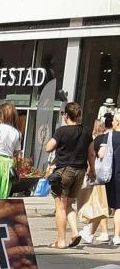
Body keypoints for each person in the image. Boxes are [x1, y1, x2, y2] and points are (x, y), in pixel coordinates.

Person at [44, 101, 90, 249]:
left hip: (64, 172)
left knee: (60, 206)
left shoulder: (62, 131)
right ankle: (75, 232)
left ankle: (61, 241)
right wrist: (93, 170)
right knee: (69, 204)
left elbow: (48, 148)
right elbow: (91, 153)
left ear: (66, 116)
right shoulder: (86, 131)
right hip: (80, 171)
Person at [80, 117, 110, 244]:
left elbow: (95, 155)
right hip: (109, 175)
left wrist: (90, 170)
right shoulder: (108, 137)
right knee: (103, 205)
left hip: (99, 176)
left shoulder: (99, 139)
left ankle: (92, 231)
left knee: (98, 204)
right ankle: (101, 231)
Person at [93, 110, 120, 245]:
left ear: (118, 122)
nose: (112, 122)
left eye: (114, 120)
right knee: (119, 207)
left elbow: (101, 154)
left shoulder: (109, 135)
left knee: (106, 204)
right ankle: (117, 236)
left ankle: (103, 232)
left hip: (110, 175)